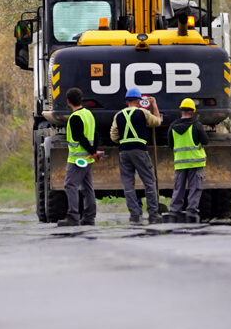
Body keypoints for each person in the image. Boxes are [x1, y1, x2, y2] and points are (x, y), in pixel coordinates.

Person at [110, 87, 163, 225]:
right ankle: (153, 214)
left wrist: (123, 141)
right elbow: (157, 122)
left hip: (123, 152)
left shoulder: (118, 115)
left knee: (128, 185)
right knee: (150, 182)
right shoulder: (143, 113)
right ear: (139, 101)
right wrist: (154, 105)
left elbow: (113, 136)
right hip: (140, 151)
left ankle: (134, 214)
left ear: (127, 101)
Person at [57, 87, 101, 226]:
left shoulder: (75, 117)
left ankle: (73, 216)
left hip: (78, 159)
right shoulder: (88, 114)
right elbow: (95, 134)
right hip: (88, 157)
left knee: (70, 185)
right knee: (87, 187)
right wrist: (93, 151)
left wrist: (91, 151)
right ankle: (89, 217)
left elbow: (79, 137)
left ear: (68, 101)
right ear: (81, 99)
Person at [167, 97, 208, 223]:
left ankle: (174, 211)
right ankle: (191, 211)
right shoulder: (196, 125)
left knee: (178, 188)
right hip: (196, 162)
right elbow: (205, 141)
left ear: (181, 111)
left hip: (180, 163)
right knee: (195, 188)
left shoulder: (172, 126)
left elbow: (170, 145)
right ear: (193, 112)